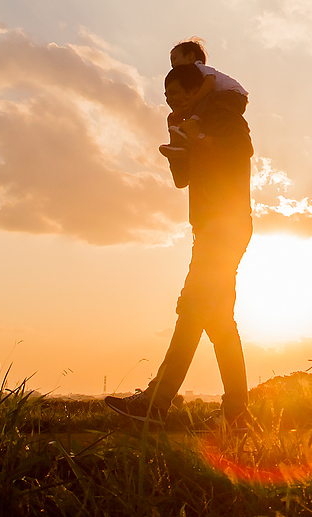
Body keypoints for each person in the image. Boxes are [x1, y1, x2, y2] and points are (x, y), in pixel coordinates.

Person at [106, 63, 254, 425]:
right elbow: (182, 180)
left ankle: (156, 402)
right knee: (220, 322)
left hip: (226, 223)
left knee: (191, 308)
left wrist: (199, 139)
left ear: (199, 87)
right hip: (207, 226)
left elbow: (243, 149)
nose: (172, 101)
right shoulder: (181, 121)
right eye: (167, 95)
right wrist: (179, 153)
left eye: (178, 93)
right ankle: (238, 413)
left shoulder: (220, 111)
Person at [169, 38, 248, 100]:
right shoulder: (195, 75)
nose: (172, 65)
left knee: (206, 98)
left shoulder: (200, 68)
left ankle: (195, 118)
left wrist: (195, 99)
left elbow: (210, 81)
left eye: (175, 59)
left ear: (190, 56)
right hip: (233, 96)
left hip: (236, 94)